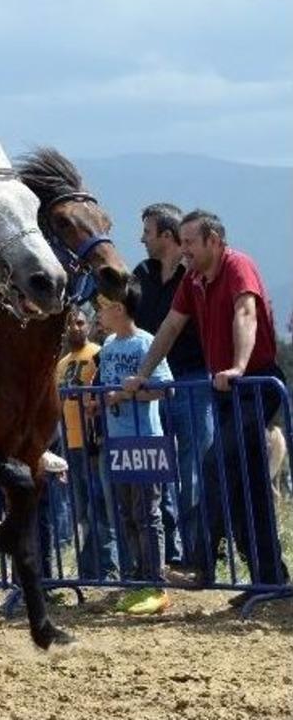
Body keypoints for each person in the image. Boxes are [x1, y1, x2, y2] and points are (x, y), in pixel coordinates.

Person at [125, 210, 288, 589]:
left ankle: (200, 564)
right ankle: (271, 577)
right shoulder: (194, 278)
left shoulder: (237, 265)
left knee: (216, 464)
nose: (184, 251)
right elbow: (170, 325)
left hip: (255, 384)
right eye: (181, 243)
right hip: (225, 389)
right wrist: (143, 374)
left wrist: (237, 367)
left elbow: (246, 313)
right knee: (247, 483)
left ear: (213, 241)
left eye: (190, 243)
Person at [135, 203, 214, 571]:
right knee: (159, 467)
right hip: (156, 382)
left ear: (166, 236)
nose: (142, 239)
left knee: (194, 466)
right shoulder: (141, 274)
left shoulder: (194, 275)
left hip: (193, 377)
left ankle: (201, 551)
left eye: (147, 233)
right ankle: (170, 549)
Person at [95, 283, 173, 615]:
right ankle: (137, 578)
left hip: (146, 439)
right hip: (117, 439)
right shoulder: (109, 345)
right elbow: (105, 386)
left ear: (120, 309)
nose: (99, 312)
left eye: (103, 306)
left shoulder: (146, 343)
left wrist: (125, 394)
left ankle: (156, 583)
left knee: (147, 513)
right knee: (126, 514)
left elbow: (165, 389)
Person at [56, 307, 118, 580]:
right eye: (70, 323)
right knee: (81, 512)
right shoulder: (61, 364)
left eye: (80, 323)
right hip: (71, 444)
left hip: (94, 442)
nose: (75, 328)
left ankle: (109, 567)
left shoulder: (97, 353)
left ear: (90, 325)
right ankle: (89, 567)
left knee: (102, 509)